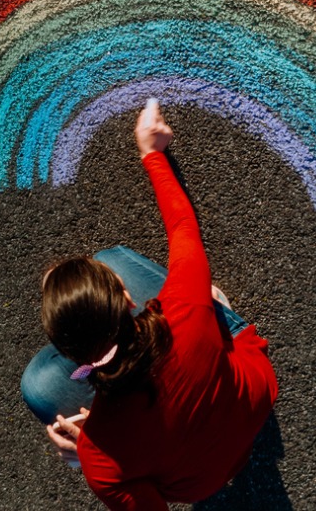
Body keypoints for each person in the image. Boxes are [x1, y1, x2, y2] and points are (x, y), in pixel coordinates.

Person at [20, 99, 279, 509]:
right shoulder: (184, 308)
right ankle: (221, 318)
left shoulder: (101, 458)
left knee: (35, 384)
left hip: (201, 480)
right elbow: (182, 226)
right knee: (110, 257)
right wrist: (151, 152)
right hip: (251, 398)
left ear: (73, 359)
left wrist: (88, 454)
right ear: (126, 296)